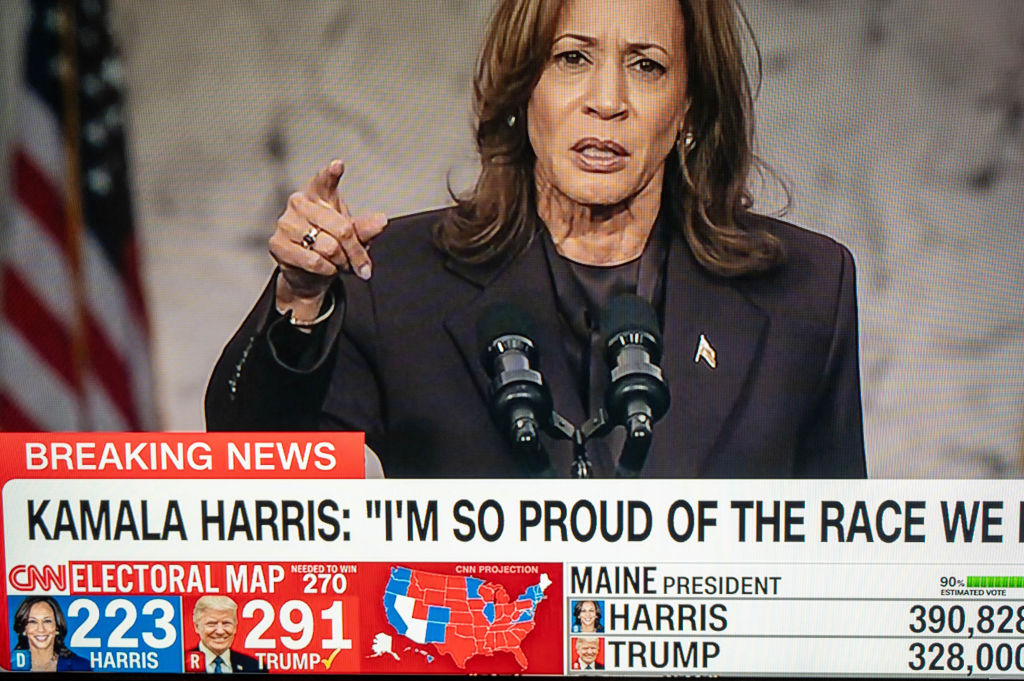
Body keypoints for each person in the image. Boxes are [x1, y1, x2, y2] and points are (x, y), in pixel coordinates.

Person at [207, 0, 866, 478]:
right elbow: (251, 477)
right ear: (525, 86)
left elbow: (844, 573)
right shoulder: (396, 283)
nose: (607, 100)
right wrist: (298, 302)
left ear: (690, 104)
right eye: (572, 58)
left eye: (647, 65)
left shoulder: (804, 291)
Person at [11, 596, 91, 672]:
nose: (41, 629)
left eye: (47, 621)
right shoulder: (8, 666)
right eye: (33, 622)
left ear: (57, 626)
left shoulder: (81, 666)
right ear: (24, 628)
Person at [189, 595, 264, 673]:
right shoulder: (180, 663)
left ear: (235, 627)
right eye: (211, 624)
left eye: (226, 623)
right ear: (197, 627)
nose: (220, 631)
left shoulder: (254, 666)